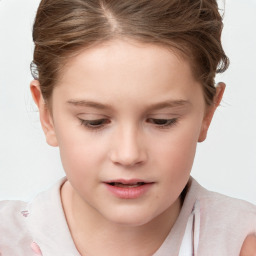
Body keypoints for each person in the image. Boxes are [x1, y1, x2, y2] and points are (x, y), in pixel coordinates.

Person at [0, 0, 256, 255]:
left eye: (162, 120)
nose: (128, 154)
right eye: (94, 121)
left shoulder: (243, 240)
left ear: (208, 113)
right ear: (47, 114)